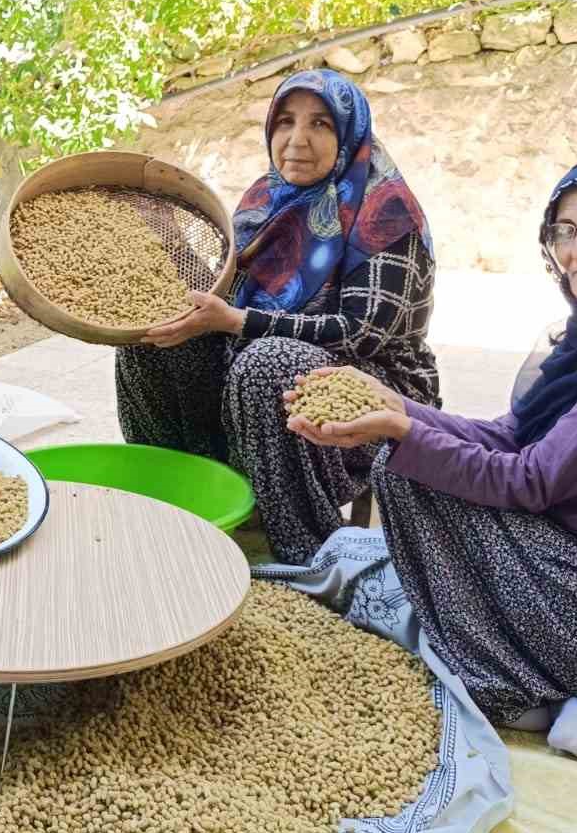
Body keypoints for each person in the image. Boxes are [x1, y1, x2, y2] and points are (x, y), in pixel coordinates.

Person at [287, 151, 577, 757]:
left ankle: (523, 688)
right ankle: (565, 696)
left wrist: (400, 434)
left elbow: (528, 480)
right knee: (413, 463)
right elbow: (509, 437)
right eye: (565, 229)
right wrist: (393, 407)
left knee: (412, 477)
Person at [114, 69, 439, 564]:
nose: (297, 140)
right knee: (158, 339)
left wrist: (240, 323)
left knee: (268, 362)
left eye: (321, 125)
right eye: (285, 122)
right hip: (254, 372)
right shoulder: (266, 198)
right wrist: (169, 241)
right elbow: (228, 292)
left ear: (349, 132)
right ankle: (189, 498)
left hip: (371, 390)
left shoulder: (385, 211)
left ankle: (300, 551)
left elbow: (362, 333)